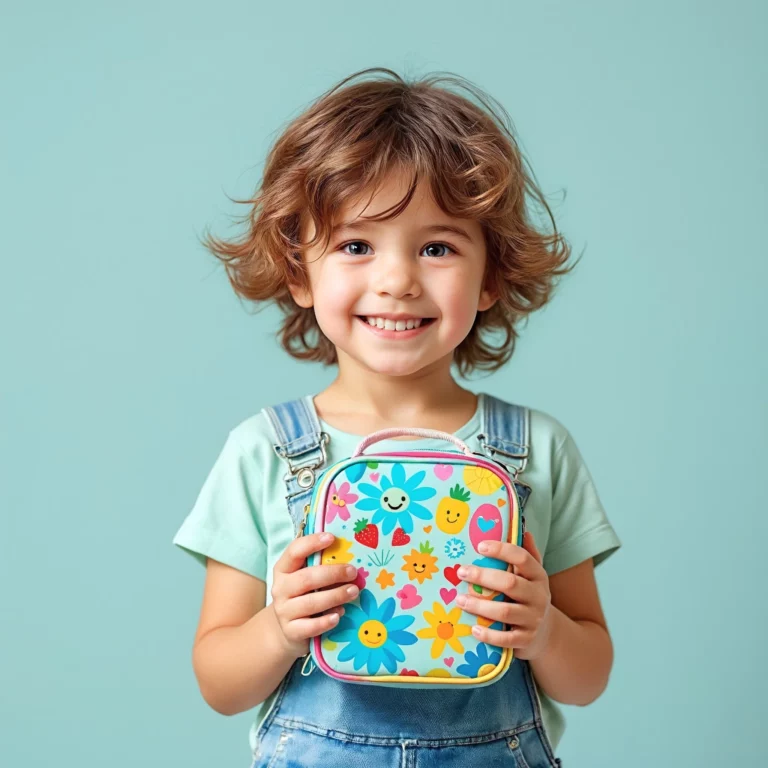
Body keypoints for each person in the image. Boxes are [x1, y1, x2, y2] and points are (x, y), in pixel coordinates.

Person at [173, 67, 621, 767]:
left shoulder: (538, 448)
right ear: (299, 272)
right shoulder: (263, 450)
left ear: (491, 274)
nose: (397, 279)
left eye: (437, 247)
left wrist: (544, 633)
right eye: (356, 245)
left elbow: (589, 675)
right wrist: (280, 630)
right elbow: (218, 681)